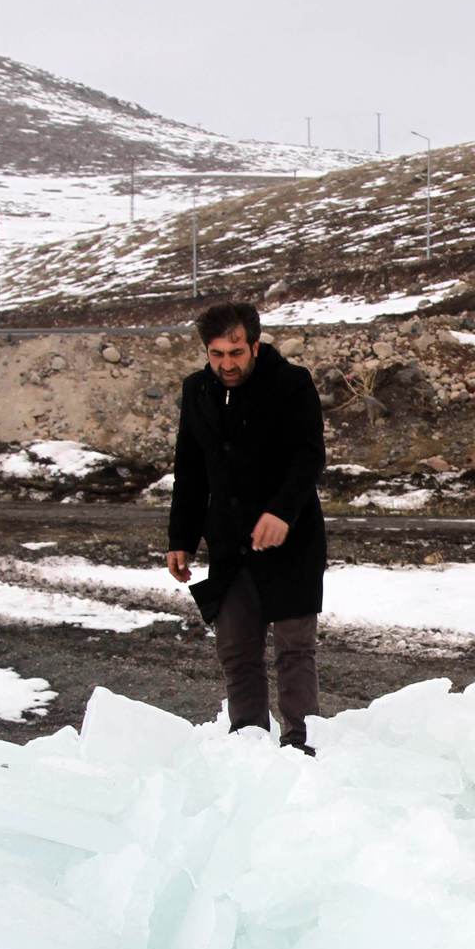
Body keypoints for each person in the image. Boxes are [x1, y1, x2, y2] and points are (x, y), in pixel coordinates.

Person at [166, 302, 328, 753]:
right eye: (217, 354)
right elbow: (191, 470)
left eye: (236, 352)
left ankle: (302, 747)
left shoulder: (291, 384)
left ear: (255, 344)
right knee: (237, 653)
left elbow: (309, 456)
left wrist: (282, 513)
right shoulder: (197, 391)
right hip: (230, 546)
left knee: (295, 650)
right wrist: (181, 538)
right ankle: (249, 747)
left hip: (292, 541)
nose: (227, 364)